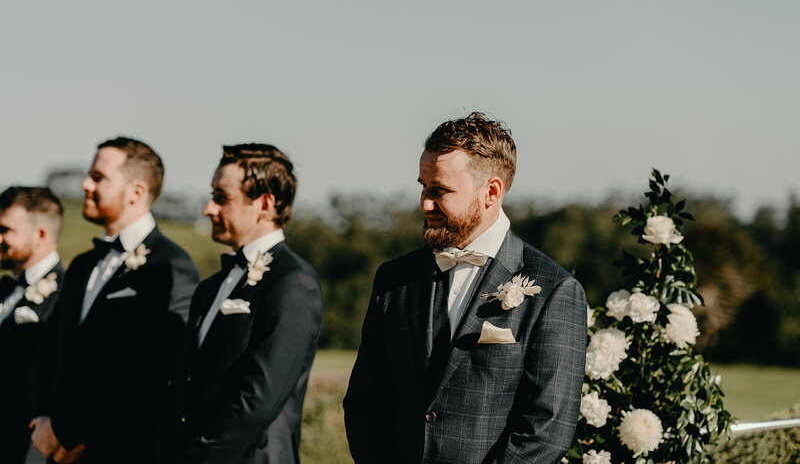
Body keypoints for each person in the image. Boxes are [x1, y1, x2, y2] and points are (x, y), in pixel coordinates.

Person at [343, 112, 587, 464]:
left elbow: (546, 428)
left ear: (491, 192)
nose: (425, 202)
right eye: (423, 186)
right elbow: (365, 400)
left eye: (440, 190)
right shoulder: (394, 278)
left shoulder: (555, 291)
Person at [29, 137, 199, 464]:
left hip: (121, 449)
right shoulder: (81, 265)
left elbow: (149, 371)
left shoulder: (170, 267)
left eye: (98, 177)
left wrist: (72, 431)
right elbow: (51, 350)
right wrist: (44, 422)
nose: (85, 184)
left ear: (136, 192)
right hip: (54, 450)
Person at [176, 144, 322, 464]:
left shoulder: (293, 283)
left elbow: (257, 400)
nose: (208, 209)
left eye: (221, 197)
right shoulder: (210, 287)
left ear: (265, 204)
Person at [0, 187, 65, 464]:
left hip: (25, 446)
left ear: (40, 234)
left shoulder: (67, 294)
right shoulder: (5, 287)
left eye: (5, 229)